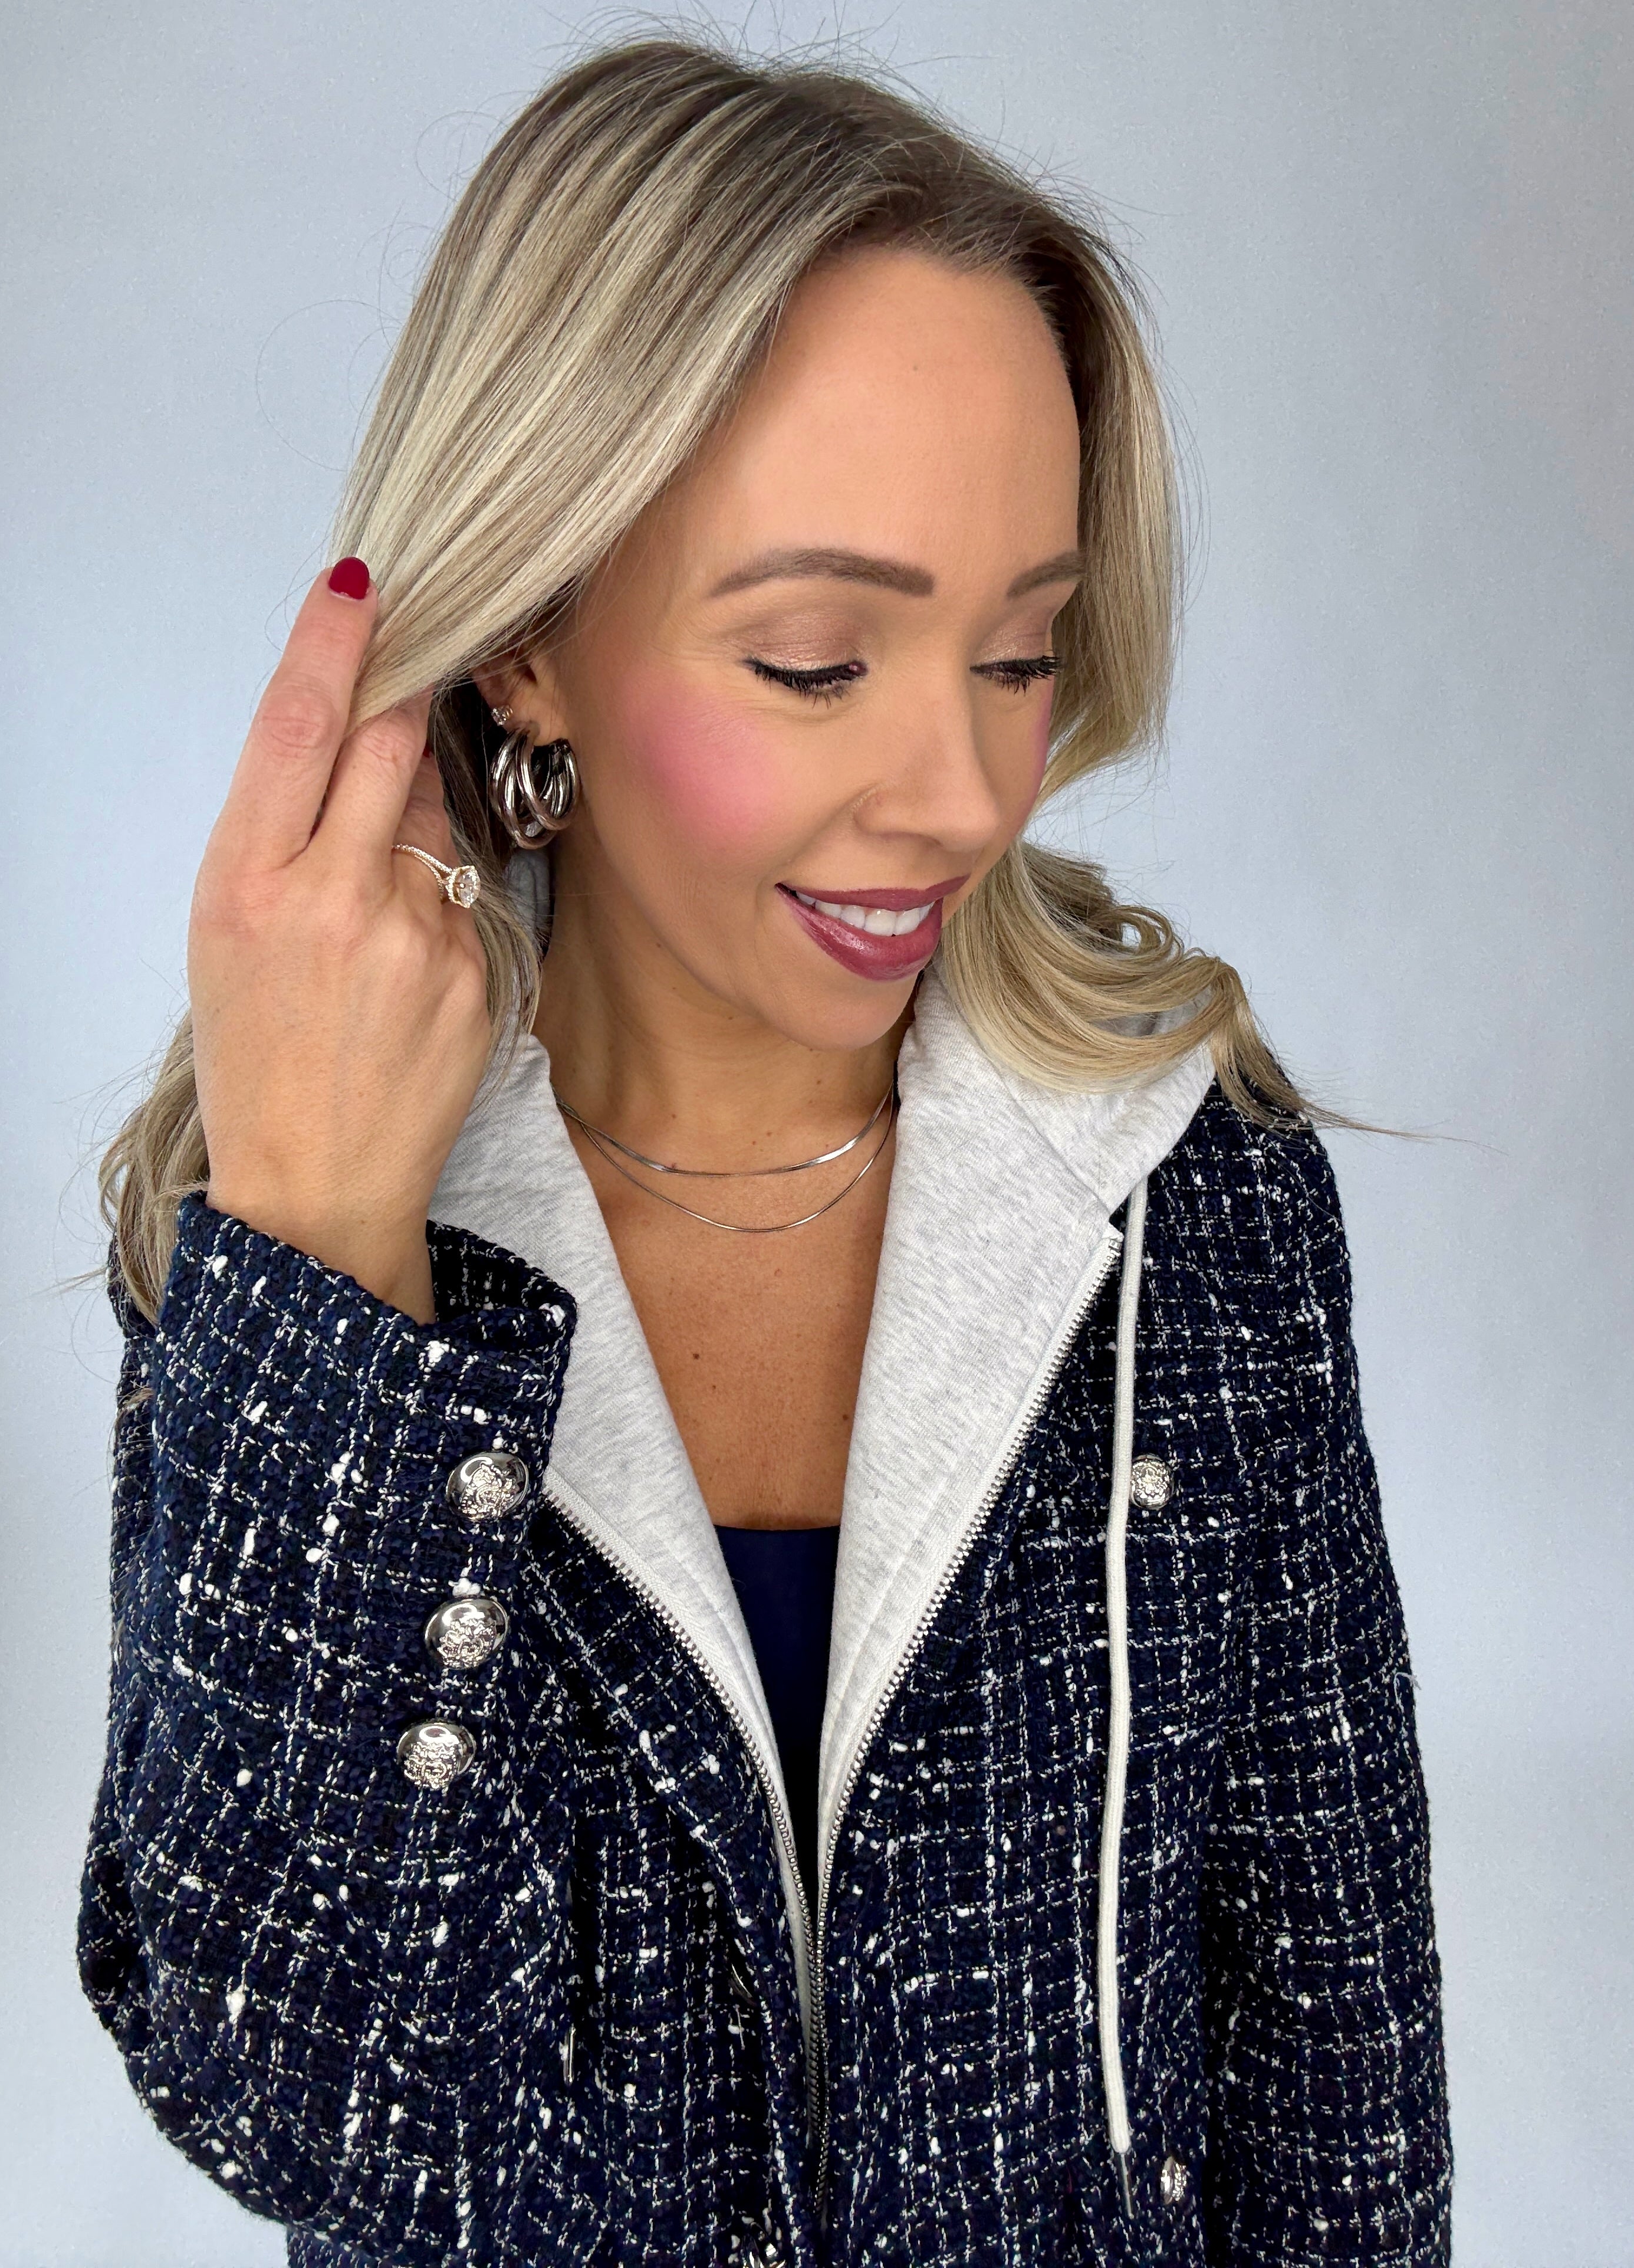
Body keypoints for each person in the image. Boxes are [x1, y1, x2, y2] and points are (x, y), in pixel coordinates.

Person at [78, 35, 1451, 2268]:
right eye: (816, 662)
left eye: (1018, 654)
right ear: (525, 642)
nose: (967, 796)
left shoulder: (1190, 1195)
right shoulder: (288, 1242)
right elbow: (300, 2104)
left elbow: (1336, 2053)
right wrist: (321, 1257)